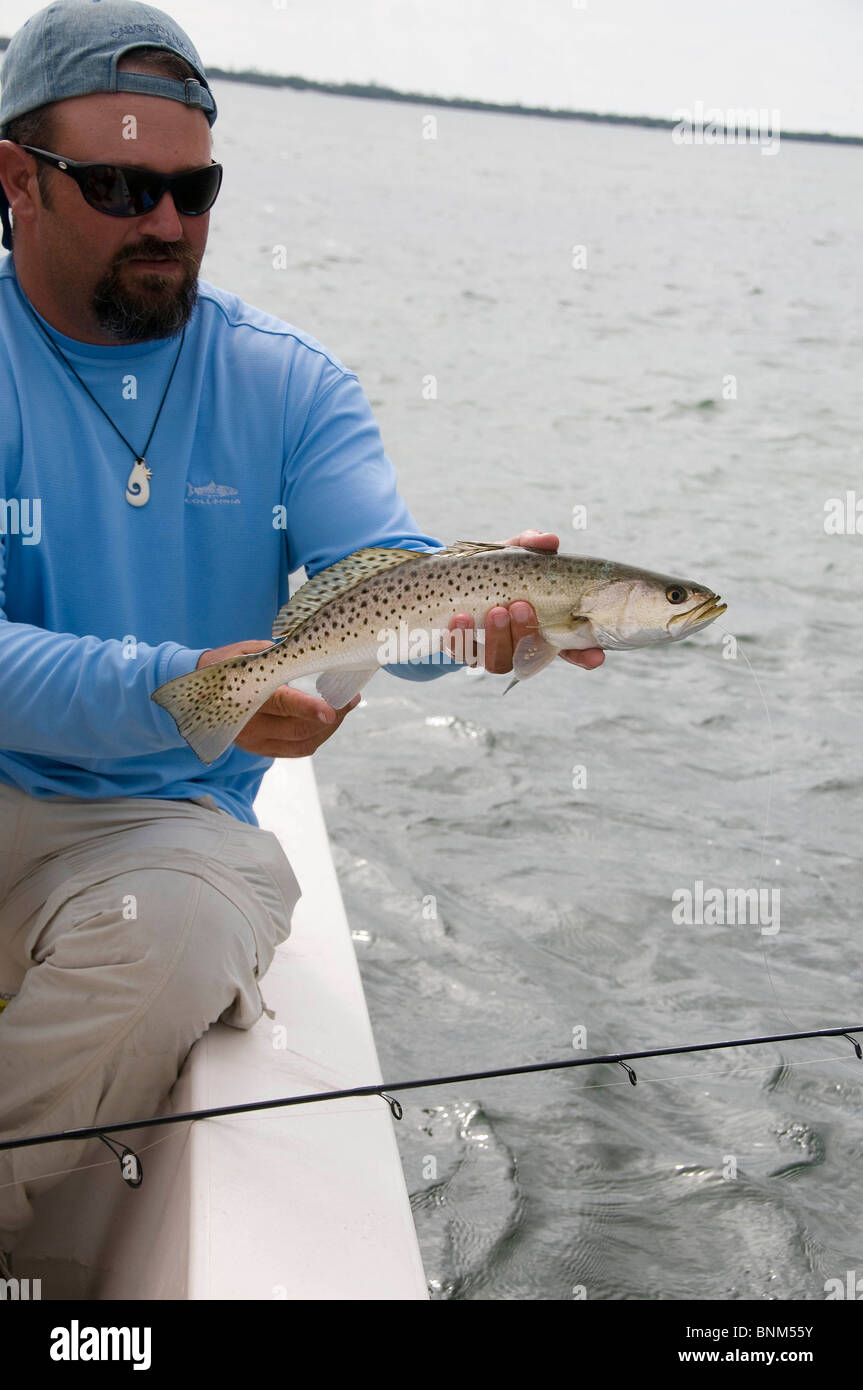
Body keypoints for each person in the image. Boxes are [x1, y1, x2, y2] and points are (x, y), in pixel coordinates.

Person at [0, 0, 603, 1272]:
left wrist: (490, 614)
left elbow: (377, 585)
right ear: (18, 177)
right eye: (117, 185)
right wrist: (169, 683)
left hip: (157, 827)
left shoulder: (290, 383)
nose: (164, 222)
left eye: (191, 186)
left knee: (178, 935)